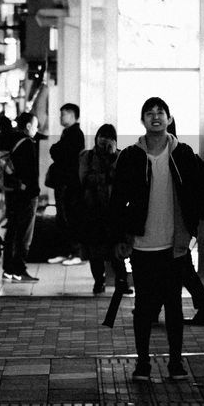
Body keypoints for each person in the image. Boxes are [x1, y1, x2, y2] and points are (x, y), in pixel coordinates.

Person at [110, 97, 204, 383]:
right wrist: (120, 236)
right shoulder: (131, 155)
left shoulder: (182, 153)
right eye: (149, 113)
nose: (155, 117)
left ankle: (176, 363)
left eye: (160, 112)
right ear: (142, 119)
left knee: (174, 305)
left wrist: (194, 225)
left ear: (169, 118)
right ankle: (142, 363)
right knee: (143, 306)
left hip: (174, 243)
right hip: (142, 243)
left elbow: (200, 189)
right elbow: (118, 199)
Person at [75, 123, 128, 295]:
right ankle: (99, 281)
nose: (104, 140)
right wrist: (106, 176)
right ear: (96, 137)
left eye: (109, 137)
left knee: (116, 249)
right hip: (92, 210)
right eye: (102, 136)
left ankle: (122, 282)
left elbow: (122, 180)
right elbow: (84, 179)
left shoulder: (120, 156)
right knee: (95, 250)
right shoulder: (87, 156)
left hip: (114, 210)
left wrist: (112, 159)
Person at [2, 111, 40, 282]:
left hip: (12, 193)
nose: (37, 129)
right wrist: (32, 190)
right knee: (24, 234)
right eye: (36, 125)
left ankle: (8, 269)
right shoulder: (27, 143)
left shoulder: (10, 140)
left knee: (12, 230)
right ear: (29, 126)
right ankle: (19, 269)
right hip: (26, 195)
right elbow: (30, 172)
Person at [46, 102, 86, 266]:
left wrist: (56, 149)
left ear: (72, 115)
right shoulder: (68, 133)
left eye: (64, 113)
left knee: (70, 217)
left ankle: (76, 253)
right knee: (62, 217)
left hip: (69, 183)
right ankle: (65, 251)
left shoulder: (75, 133)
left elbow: (59, 152)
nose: (61, 116)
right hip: (64, 182)